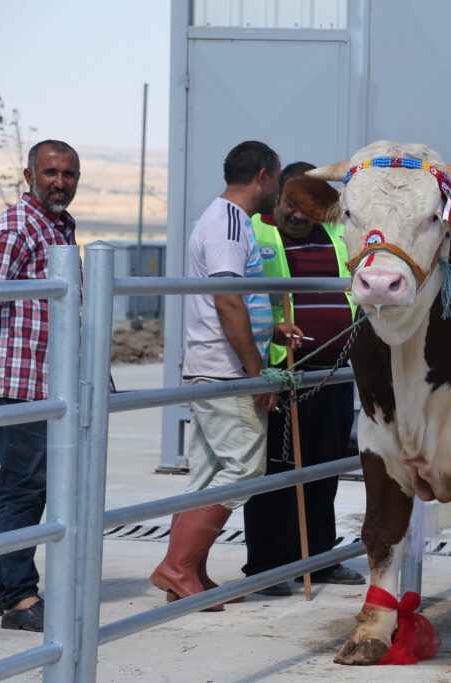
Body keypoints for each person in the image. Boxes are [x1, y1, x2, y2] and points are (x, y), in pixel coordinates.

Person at [149, 140, 285, 608]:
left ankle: (188, 574)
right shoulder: (228, 223)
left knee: (207, 474)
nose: (279, 191)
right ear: (263, 176)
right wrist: (257, 373)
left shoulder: (227, 220)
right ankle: (177, 567)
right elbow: (227, 299)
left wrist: (272, 325)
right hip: (225, 372)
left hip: (215, 368)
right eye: (278, 180)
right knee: (246, 468)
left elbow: (235, 296)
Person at [0, 140, 81, 632]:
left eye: (69, 174)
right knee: (24, 489)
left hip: (48, 382)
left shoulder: (58, 226)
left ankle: (8, 589)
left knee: (34, 490)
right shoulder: (15, 226)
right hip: (18, 380)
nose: (60, 182)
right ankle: (18, 599)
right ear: (29, 174)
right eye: (51, 172)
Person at [242, 163, 364, 595]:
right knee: (277, 470)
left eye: (305, 206)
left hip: (335, 372)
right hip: (285, 373)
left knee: (324, 467)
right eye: (290, 204)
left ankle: (319, 558)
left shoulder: (335, 231)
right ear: (277, 198)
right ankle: (267, 564)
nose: (297, 214)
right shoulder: (256, 233)